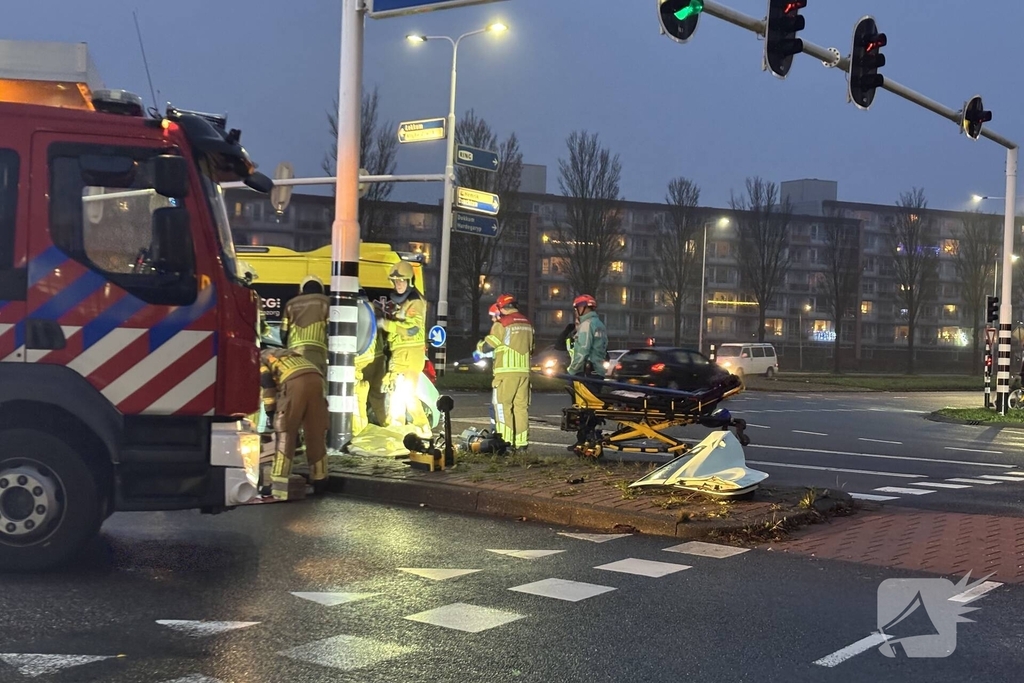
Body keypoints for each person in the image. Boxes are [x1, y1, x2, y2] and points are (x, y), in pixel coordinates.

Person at [259, 346, 329, 500]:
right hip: (316, 378)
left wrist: (270, 412)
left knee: (285, 432)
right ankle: (320, 479)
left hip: (293, 381)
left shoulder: (259, 359)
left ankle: (277, 483)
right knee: (315, 432)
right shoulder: (283, 353)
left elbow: (267, 384)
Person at [477, 294, 534, 452]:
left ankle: (506, 443)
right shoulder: (528, 324)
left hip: (506, 373)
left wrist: (479, 346)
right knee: (521, 408)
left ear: (501, 307)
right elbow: (532, 348)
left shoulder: (502, 323)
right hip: (524, 373)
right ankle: (521, 444)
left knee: (503, 407)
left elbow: (488, 346)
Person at [380, 261, 431, 437]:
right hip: (401, 354)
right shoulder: (403, 303)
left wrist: (388, 325)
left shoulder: (414, 302)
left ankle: (421, 427)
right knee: (397, 393)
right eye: (396, 281)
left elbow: (412, 329)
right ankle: (398, 429)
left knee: (406, 393)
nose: (398, 284)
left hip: (410, 354)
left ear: (409, 281)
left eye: (402, 280)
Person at [281, 275, 330, 381]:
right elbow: (332, 329)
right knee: (316, 382)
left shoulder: (290, 304)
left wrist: (286, 346)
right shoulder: (326, 302)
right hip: (317, 351)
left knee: (296, 381)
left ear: (302, 289)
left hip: (294, 351)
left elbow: (283, 333)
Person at [355, 290, 388, 434]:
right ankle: (388, 427)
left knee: (358, 398)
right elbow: (386, 333)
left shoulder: (353, 309)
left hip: (360, 361)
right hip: (378, 358)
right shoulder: (377, 310)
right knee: (379, 398)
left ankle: (360, 432)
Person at [566, 294, 608, 378]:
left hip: (586, 372)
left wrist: (571, 370)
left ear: (583, 307)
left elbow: (583, 350)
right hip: (599, 371)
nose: (575, 311)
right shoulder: (600, 324)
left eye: (577, 308)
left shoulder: (586, 325)